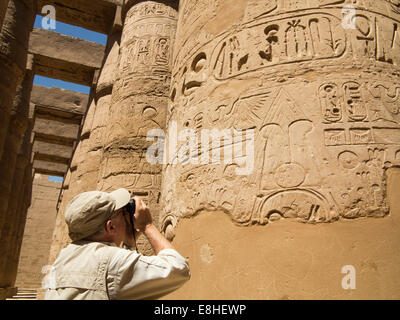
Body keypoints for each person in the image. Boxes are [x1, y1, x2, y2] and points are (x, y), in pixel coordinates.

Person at [44, 188, 190, 300]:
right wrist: (147, 226)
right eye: (123, 212)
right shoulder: (111, 262)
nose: (128, 215)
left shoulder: (63, 258)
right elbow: (179, 270)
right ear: (110, 227)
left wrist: (129, 242)